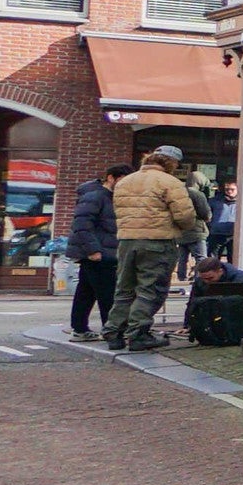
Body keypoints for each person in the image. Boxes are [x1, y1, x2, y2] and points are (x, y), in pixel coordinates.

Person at [109, 144, 204, 352]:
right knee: (149, 289)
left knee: (124, 289)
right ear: (171, 163)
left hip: (126, 241)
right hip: (157, 242)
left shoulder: (125, 182)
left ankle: (114, 333)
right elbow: (185, 217)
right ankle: (138, 334)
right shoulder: (169, 182)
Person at [65, 162, 123, 340]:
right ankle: (111, 331)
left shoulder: (101, 195)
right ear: (110, 178)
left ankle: (80, 328)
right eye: (121, 180)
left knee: (86, 291)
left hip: (98, 251)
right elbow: (82, 224)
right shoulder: (97, 196)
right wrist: (93, 250)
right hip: (99, 253)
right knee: (107, 293)